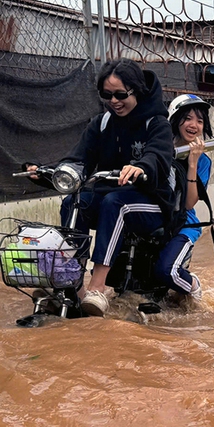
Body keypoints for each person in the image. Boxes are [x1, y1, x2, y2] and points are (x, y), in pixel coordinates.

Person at [26, 59, 173, 317]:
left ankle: (97, 287)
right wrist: (47, 171)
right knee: (76, 200)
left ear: (136, 90)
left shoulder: (157, 123)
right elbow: (78, 158)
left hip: (151, 202)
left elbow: (158, 156)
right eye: (107, 95)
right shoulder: (102, 123)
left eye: (120, 95)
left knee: (115, 203)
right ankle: (71, 281)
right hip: (111, 196)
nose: (114, 101)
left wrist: (141, 168)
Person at [153, 94, 214, 300]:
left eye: (199, 120)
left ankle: (193, 285)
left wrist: (192, 163)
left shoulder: (203, 161)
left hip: (185, 225)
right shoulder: (159, 149)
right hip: (155, 218)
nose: (193, 125)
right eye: (187, 118)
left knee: (167, 271)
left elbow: (189, 203)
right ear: (175, 119)